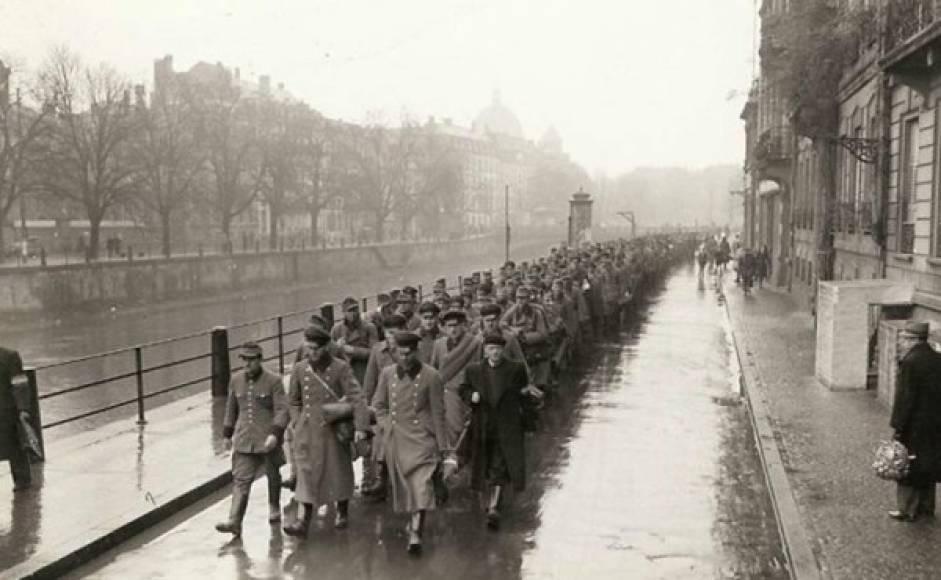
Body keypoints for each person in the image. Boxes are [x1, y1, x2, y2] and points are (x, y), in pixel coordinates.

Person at [283, 326, 370, 537]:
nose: (311, 353)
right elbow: (293, 399)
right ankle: (304, 521)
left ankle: (342, 510)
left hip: (333, 428)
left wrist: (360, 427)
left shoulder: (340, 368)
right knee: (306, 473)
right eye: (308, 348)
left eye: (315, 349)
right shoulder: (300, 369)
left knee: (337, 471)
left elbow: (357, 398)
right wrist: (296, 421)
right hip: (307, 430)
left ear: (326, 348)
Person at [371, 331, 453, 553]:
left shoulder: (431, 376)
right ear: (395, 352)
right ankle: (413, 523)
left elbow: (438, 412)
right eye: (400, 353)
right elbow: (379, 405)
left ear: (416, 352)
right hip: (397, 438)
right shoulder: (387, 374)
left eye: (408, 353)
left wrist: (443, 446)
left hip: (422, 439)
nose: (404, 358)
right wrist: (387, 425)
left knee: (421, 485)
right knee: (407, 488)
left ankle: (416, 532)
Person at [460, 332, 534, 529]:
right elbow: (463, 389)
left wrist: (528, 422)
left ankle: (494, 507)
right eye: (491, 349)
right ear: (485, 351)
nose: (495, 353)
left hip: (507, 423)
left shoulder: (515, 368)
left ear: (504, 350)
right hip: (483, 424)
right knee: (484, 461)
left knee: (500, 465)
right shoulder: (474, 370)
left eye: (499, 349)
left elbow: (523, 395)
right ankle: (489, 500)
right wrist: (471, 396)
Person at [216, 342, 289, 536]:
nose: (246, 364)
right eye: (244, 360)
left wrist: (275, 433)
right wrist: (226, 434)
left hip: (267, 440)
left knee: (273, 475)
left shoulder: (274, 381)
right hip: (244, 440)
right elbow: (231, 409)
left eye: (250, 360)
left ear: (259, 359)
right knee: (241, 480)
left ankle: (274, 506)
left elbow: (282, 410)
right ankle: (234, 521)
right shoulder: (236, 380)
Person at [889, 321, 941, 521]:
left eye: (903, 338)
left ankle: (907, 509)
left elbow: (905, 398)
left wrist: (898, 426)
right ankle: (926, 508)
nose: (900, 342)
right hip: (934, 424)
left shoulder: (910, 362)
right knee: (928, 464)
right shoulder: (937, 358)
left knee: (906, 465)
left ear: (913, 340)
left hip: (914, 426)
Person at [430, 310, 483, 449]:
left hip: (466, 392)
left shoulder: (474, 343)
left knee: (467, 429)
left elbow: (480, 368)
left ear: (463, 325)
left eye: (456, 325)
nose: (452, 329)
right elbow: (434, 369)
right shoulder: (439, 344)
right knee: (449, 430)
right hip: (445, 393)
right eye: (449, 326)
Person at [0, 347, 31, 491]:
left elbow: (20, 385)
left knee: (15, 446)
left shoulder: (9, 356)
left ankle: (22, 480)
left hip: (7, 410)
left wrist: (22, 409)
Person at [331, 296, 379, 386]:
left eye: (355, 309)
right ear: (344, 313)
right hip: (343, 372)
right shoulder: (336, 329)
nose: (354, 313)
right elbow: (329, 355)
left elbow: (375, 353)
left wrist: (353, 350)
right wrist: (337, 347)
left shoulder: (369, 327)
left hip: (363, 371)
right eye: (350, 311)